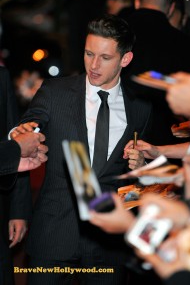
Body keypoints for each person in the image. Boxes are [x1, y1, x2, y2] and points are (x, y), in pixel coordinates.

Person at [11, 15, 153, 285]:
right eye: (89, 54)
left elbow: (139, 180)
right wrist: (22, 132)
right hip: (54, 234)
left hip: (108, 244)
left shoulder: (141, 108)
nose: (94, 65)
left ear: (125, 59)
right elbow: (29, 124)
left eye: (105, 57)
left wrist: (141, 169)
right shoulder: (56, 91)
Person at [122, 0, 190, 151]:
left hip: (115, 136)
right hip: (165, 144)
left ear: (137, 1)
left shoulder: (115, 35)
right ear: (171, 8)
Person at [0, 66, 47, 285]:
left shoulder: (1, 75)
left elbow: (10, 131)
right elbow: (14, 147)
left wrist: (18, 210)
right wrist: (16, 149)